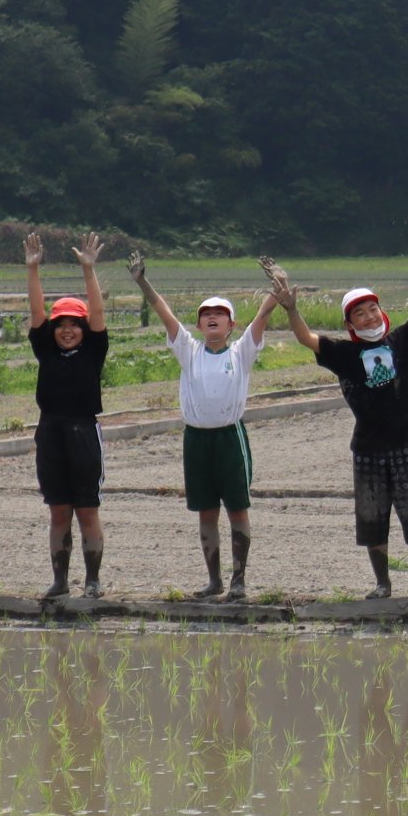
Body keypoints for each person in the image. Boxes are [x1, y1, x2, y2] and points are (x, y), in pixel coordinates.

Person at [267, 257, 408, 598]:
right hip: (367, 448)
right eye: (359, 313)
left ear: (380, 311)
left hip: (406, 443)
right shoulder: (344, 353)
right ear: (349, 322)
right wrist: (291, 309)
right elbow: (306, 338)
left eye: (371, 309)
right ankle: (383, 584)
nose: (368, 316)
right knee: (372, 518)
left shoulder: (401, 341)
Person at [130, 254, 274, 600]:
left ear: (231, 325)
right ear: (198, 326)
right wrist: (142, 282)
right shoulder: (189, 351)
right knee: (205, 511)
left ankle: (238, 580)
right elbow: (164, 312)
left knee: (237, 508)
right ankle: (214, 580)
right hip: (196, 439)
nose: (212, 318)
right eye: (206, 314)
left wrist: (276, 286)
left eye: (219, 314)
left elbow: (264, 315)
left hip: (229, 437)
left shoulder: (241, 352)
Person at [24, 229, 111, 600]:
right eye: (61, 325)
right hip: (51, 432)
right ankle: (60, 581)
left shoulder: (94, 349)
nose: (67, 330)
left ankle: (92, 581)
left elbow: (97, 314)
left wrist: (88, 271)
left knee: (87, 510)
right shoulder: (46, 350)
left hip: (83, 432)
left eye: (74, 324)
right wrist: (33, 271)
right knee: (58, 511)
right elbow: (36, 313)